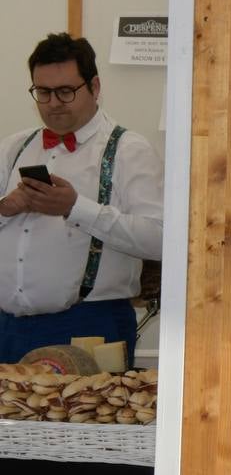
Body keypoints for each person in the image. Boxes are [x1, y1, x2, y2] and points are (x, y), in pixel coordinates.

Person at [0, 32, 163, 365]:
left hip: (91, 324)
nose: (54, 102)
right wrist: (7, 209)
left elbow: (160, 239)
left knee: (84, 418)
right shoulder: (14, 146)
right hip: (6, 328)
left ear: (95, 87)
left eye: (66, 91)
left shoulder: (129, 150)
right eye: (43, 92)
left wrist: (76, 208)